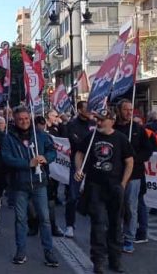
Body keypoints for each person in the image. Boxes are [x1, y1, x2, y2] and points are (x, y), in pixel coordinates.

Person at [73, 110, 133, 274]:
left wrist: (123, 183)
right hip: (95, 186)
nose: (98, 123)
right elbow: (79, 153)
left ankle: (115, 260)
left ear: (112, 120)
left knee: (115, 224)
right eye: (97, 119)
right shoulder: (92, 137)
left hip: (114, 187)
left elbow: (129, 161)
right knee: (98, 224)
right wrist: (79, 169)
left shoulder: (120, 138)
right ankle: (98, 261)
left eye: (102, 120)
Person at [1, 109, 60, 267]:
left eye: (26, 118)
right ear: (15, 120)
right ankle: (21, 251)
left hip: (39, 183)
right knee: (21, 220)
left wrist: (45, 158)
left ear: (31, 118)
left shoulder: (40, 134)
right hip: (20, 184)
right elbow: (6, 158)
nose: (24, 121)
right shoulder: (9, 138)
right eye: (20, 119)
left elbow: (52, 151)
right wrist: (27, 164)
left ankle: (49, 252)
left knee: (45, 219)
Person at [115, 100, 154, 251]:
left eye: (131, 110)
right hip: (116, 174)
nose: (129, 112)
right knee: (116, 206)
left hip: (134, 175)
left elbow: (148, 150)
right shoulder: (113, 128)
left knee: (131, 207)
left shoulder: (138, 128)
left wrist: (133, 159)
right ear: (119, 110)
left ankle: (129, 238)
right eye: (126, 110)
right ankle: (115, 234)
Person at [64, 100, 95, 239]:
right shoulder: (72, 125)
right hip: (78, 163)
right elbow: (76, 142)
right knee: (73, 195)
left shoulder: (94, 124)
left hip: (93, 164)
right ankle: (70, 225)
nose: (89, 111)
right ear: (79, 110)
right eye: (87, 109)